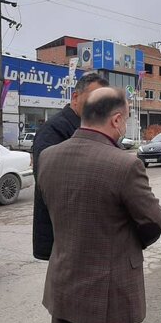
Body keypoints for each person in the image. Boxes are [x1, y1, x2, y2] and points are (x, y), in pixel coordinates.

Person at [37, 87, 161, 323]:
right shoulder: (124, 165)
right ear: (116, 120)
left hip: (63, 286)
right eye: (127, 118)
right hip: (107, 295)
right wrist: (129, 239)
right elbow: (154, 221)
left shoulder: (48, 157)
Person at [32, 72, 109, 260]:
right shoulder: (54, 129)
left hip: (85, 230)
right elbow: (48, 180)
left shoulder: (90, 128)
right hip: (63, 233)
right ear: (75, 97)